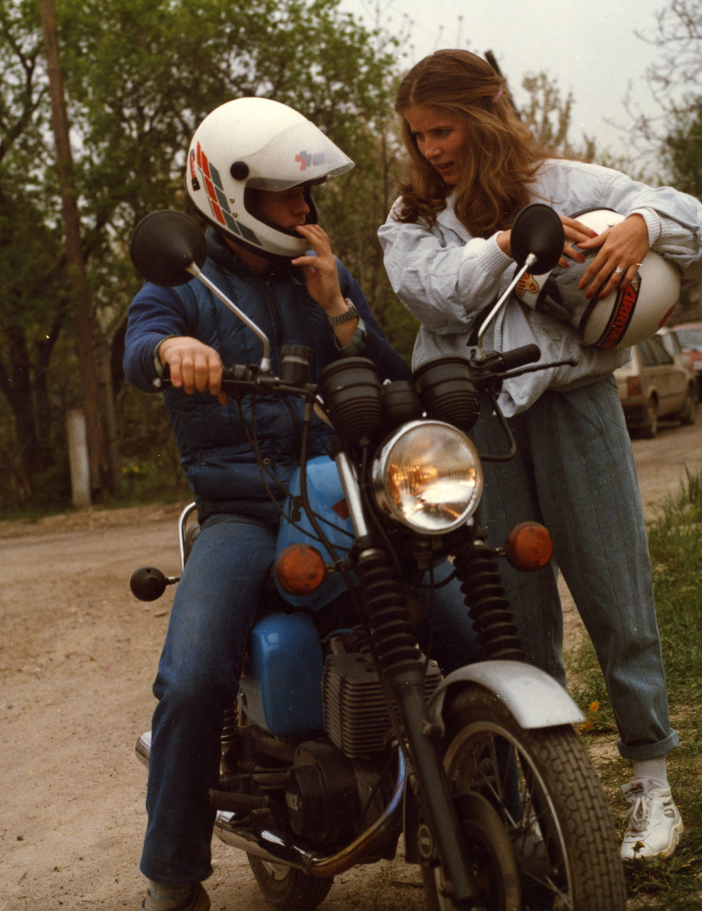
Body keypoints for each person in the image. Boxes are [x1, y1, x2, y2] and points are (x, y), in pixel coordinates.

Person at [123, 97, 475, 911]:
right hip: (244, 511)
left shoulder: (323, 274)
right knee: (190, 677)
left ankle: (514, 814)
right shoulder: (184, 281)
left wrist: (338, 308)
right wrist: (172, 348)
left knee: (464, 629)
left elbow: (391, 384)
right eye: (290, 196)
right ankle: (171, 879)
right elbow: (138, 348)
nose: (306, 211)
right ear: (235, 194)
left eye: (307, 196)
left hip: (345, 493)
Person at [379, 49, 702, 862]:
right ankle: (527, 809)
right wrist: (504, 245)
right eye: (418, 135)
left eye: (444, 129)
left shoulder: (565, 184)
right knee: (508, 623)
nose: (431, 150)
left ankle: (652, 787)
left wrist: (641, 228)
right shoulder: (414, 217)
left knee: (615, 593)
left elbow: (694, 224)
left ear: (485, 117)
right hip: (478, 425)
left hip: (576, 405)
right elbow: (433, 292)